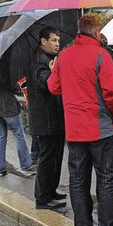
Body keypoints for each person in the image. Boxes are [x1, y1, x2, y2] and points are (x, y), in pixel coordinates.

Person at [47, 13, 113, 226]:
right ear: (96, 31)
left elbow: (53, 87)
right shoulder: (101, 55)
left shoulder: (64, 56)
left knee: (77, 181)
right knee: (105, 180)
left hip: (74, 131)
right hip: (100, 129)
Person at [27, 26, 67, 210]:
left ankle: (51, 191)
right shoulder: (38, 61)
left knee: (56, 157)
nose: (57, 44)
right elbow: (44, 84)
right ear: (43, 41)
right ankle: (42, 198)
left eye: (58, 40)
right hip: (45, 119)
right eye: (53, 40)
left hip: (55, 118)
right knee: (47, 158)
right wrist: (52, 73)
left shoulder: (49, 59)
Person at [0, 78, 35, 178]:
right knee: (19, 135)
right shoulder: (3, 67)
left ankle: (0, 169)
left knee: (0, 137)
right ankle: (26, 166)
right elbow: (15, 86)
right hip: (9, 106)